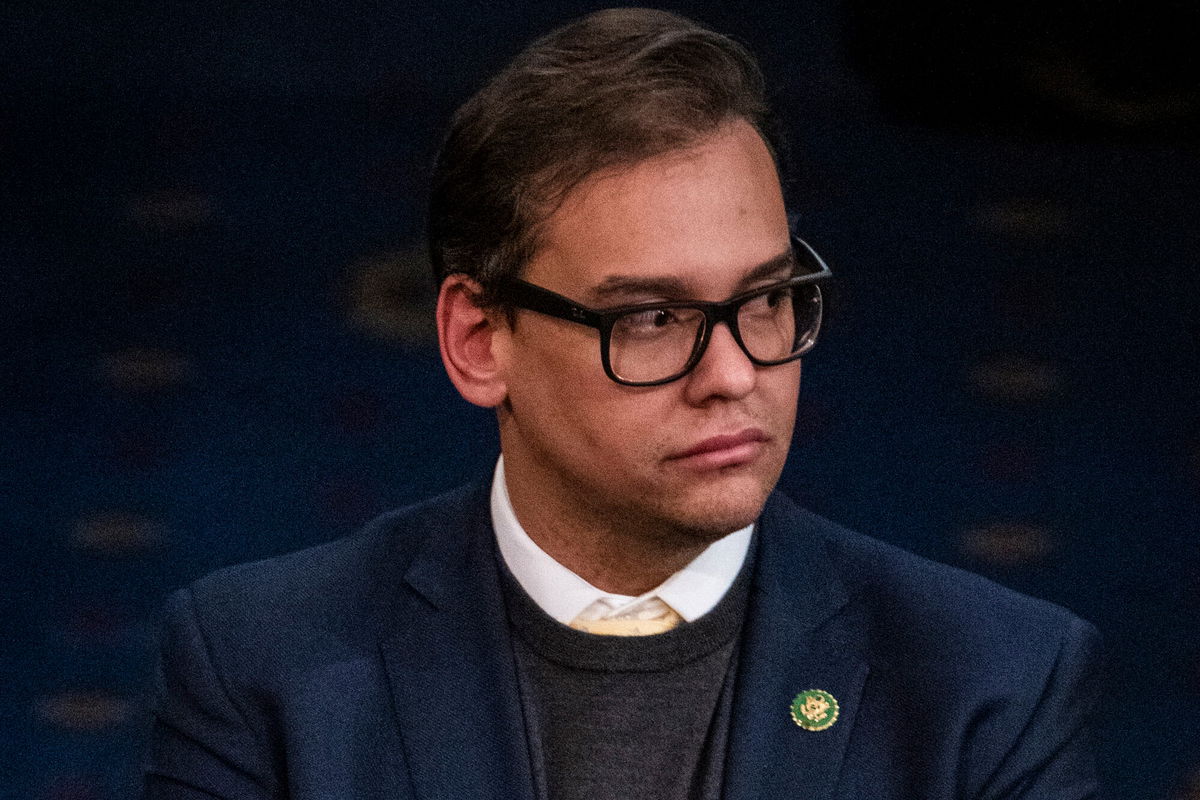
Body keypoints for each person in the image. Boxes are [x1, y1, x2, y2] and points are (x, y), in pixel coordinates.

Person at [143, 8, 1102, 799]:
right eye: (651, 318)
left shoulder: (993, 685)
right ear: (479, 343)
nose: (732, 374)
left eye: (765, 301)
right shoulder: (259, 668)